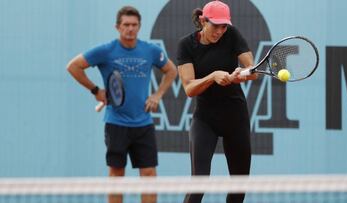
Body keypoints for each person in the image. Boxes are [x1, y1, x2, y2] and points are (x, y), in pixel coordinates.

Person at [67, 6, 177, 203]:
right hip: (116, 123)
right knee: (116, 175)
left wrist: (158, 95)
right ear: (117, 27)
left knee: (149, 175)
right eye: (126, 25)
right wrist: (96, 91)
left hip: (143, 124)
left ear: (139, 27)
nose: (130, 29)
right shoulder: (106, 50)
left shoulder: (150, 50)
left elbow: (171, 71)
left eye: (134, 25)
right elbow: (73, 66)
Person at [176, 1, 258, 203]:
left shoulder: (232, 34)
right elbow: (189, 88)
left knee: (239, 184)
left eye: (224, 26)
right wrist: (212, 77)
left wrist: (242, 74)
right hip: (205, 120)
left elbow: (252, 70)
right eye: (215, 25)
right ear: (203, 21)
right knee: (199, 183)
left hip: (235, 117)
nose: (220, 31)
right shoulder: (186, 45)